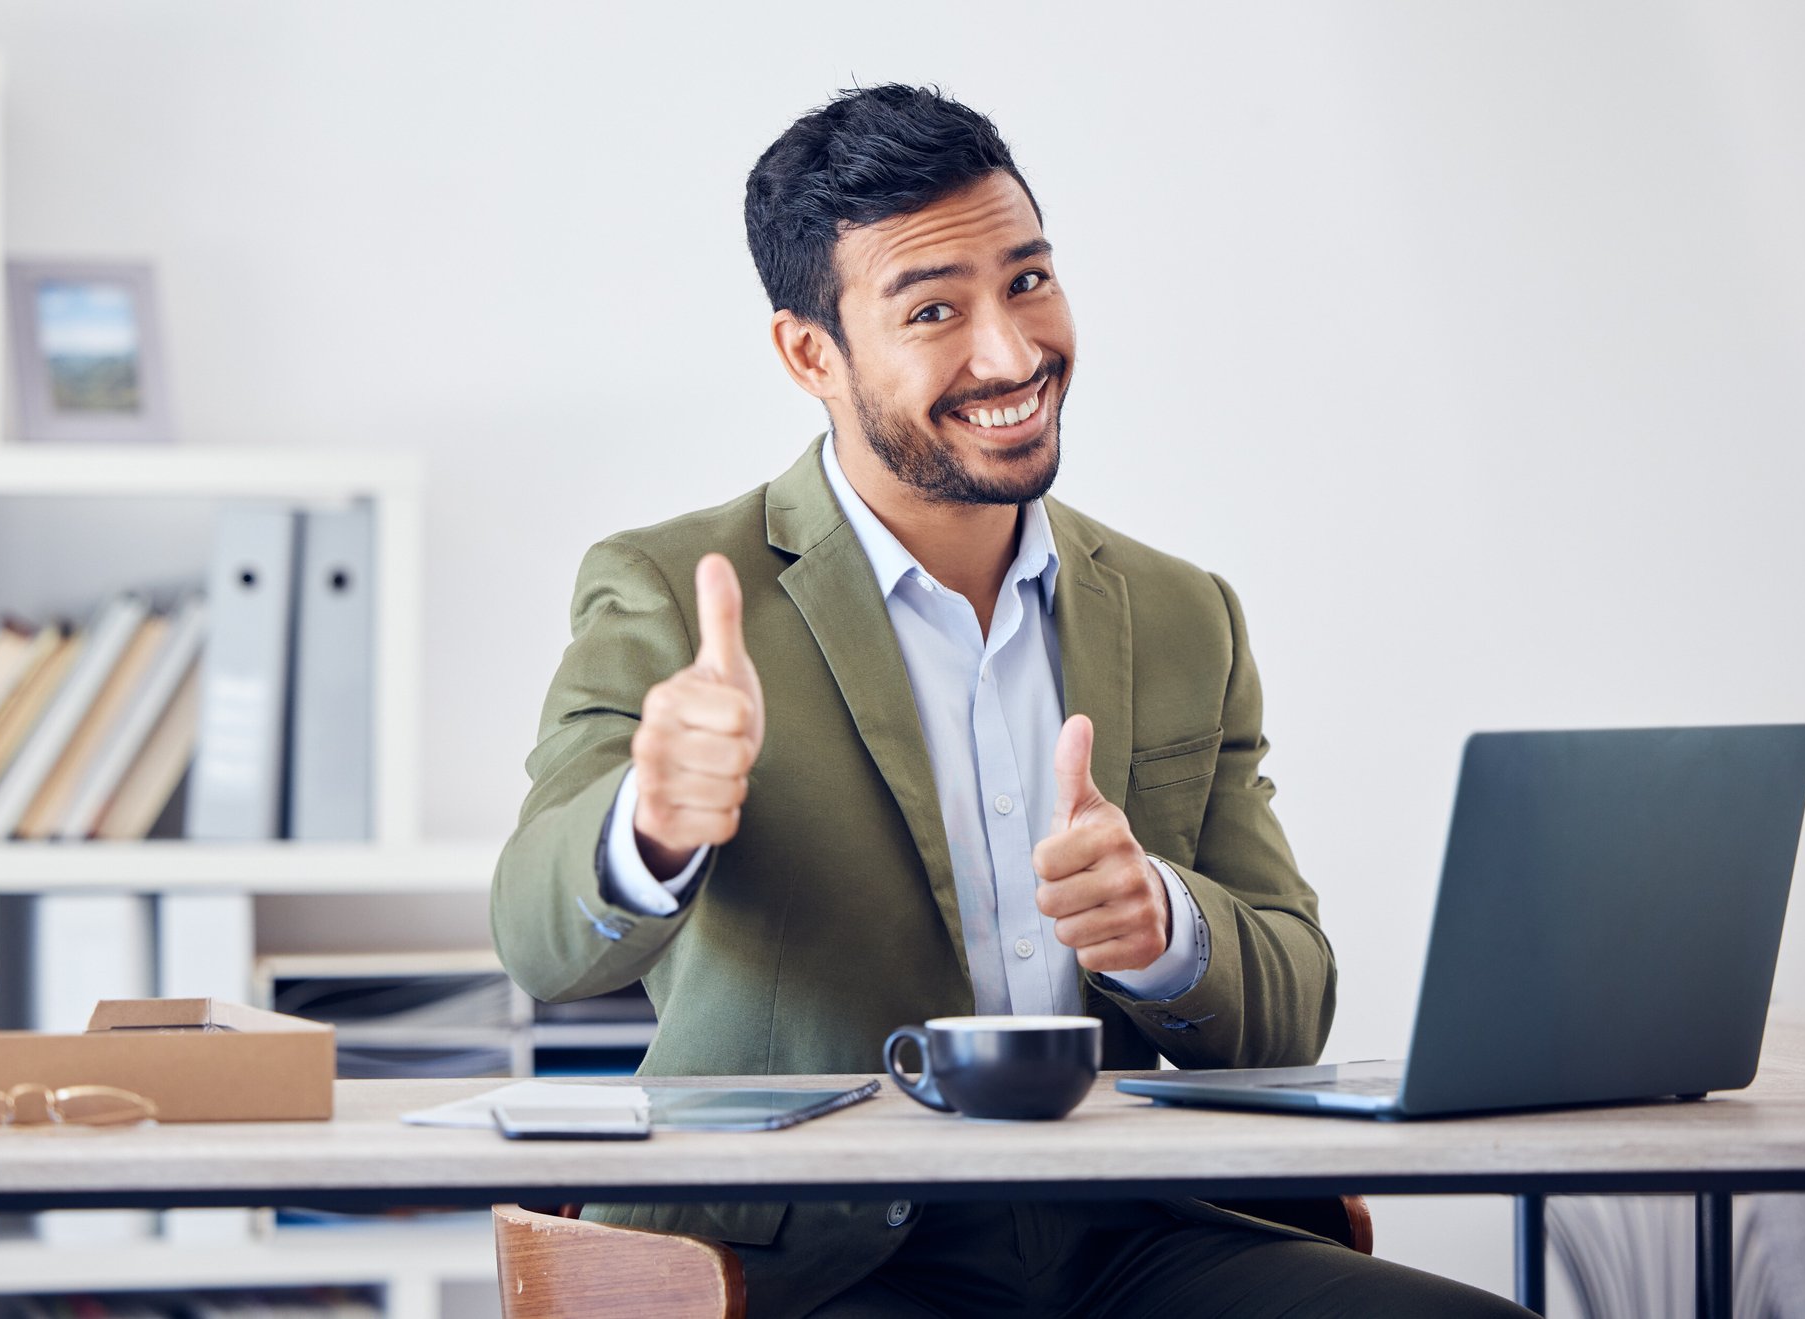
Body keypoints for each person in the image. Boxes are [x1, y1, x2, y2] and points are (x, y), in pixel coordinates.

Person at [494, 84, 1529, 1318]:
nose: (1010, 351)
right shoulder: (673, 587)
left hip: (1133, 1231)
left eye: (1026, 281)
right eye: (935, 308)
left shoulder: (1179, 608)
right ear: (810, 353)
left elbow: (1292, 998)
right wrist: (650, 818)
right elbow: (535, 937)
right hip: (814, 1255)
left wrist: (1161, 927)